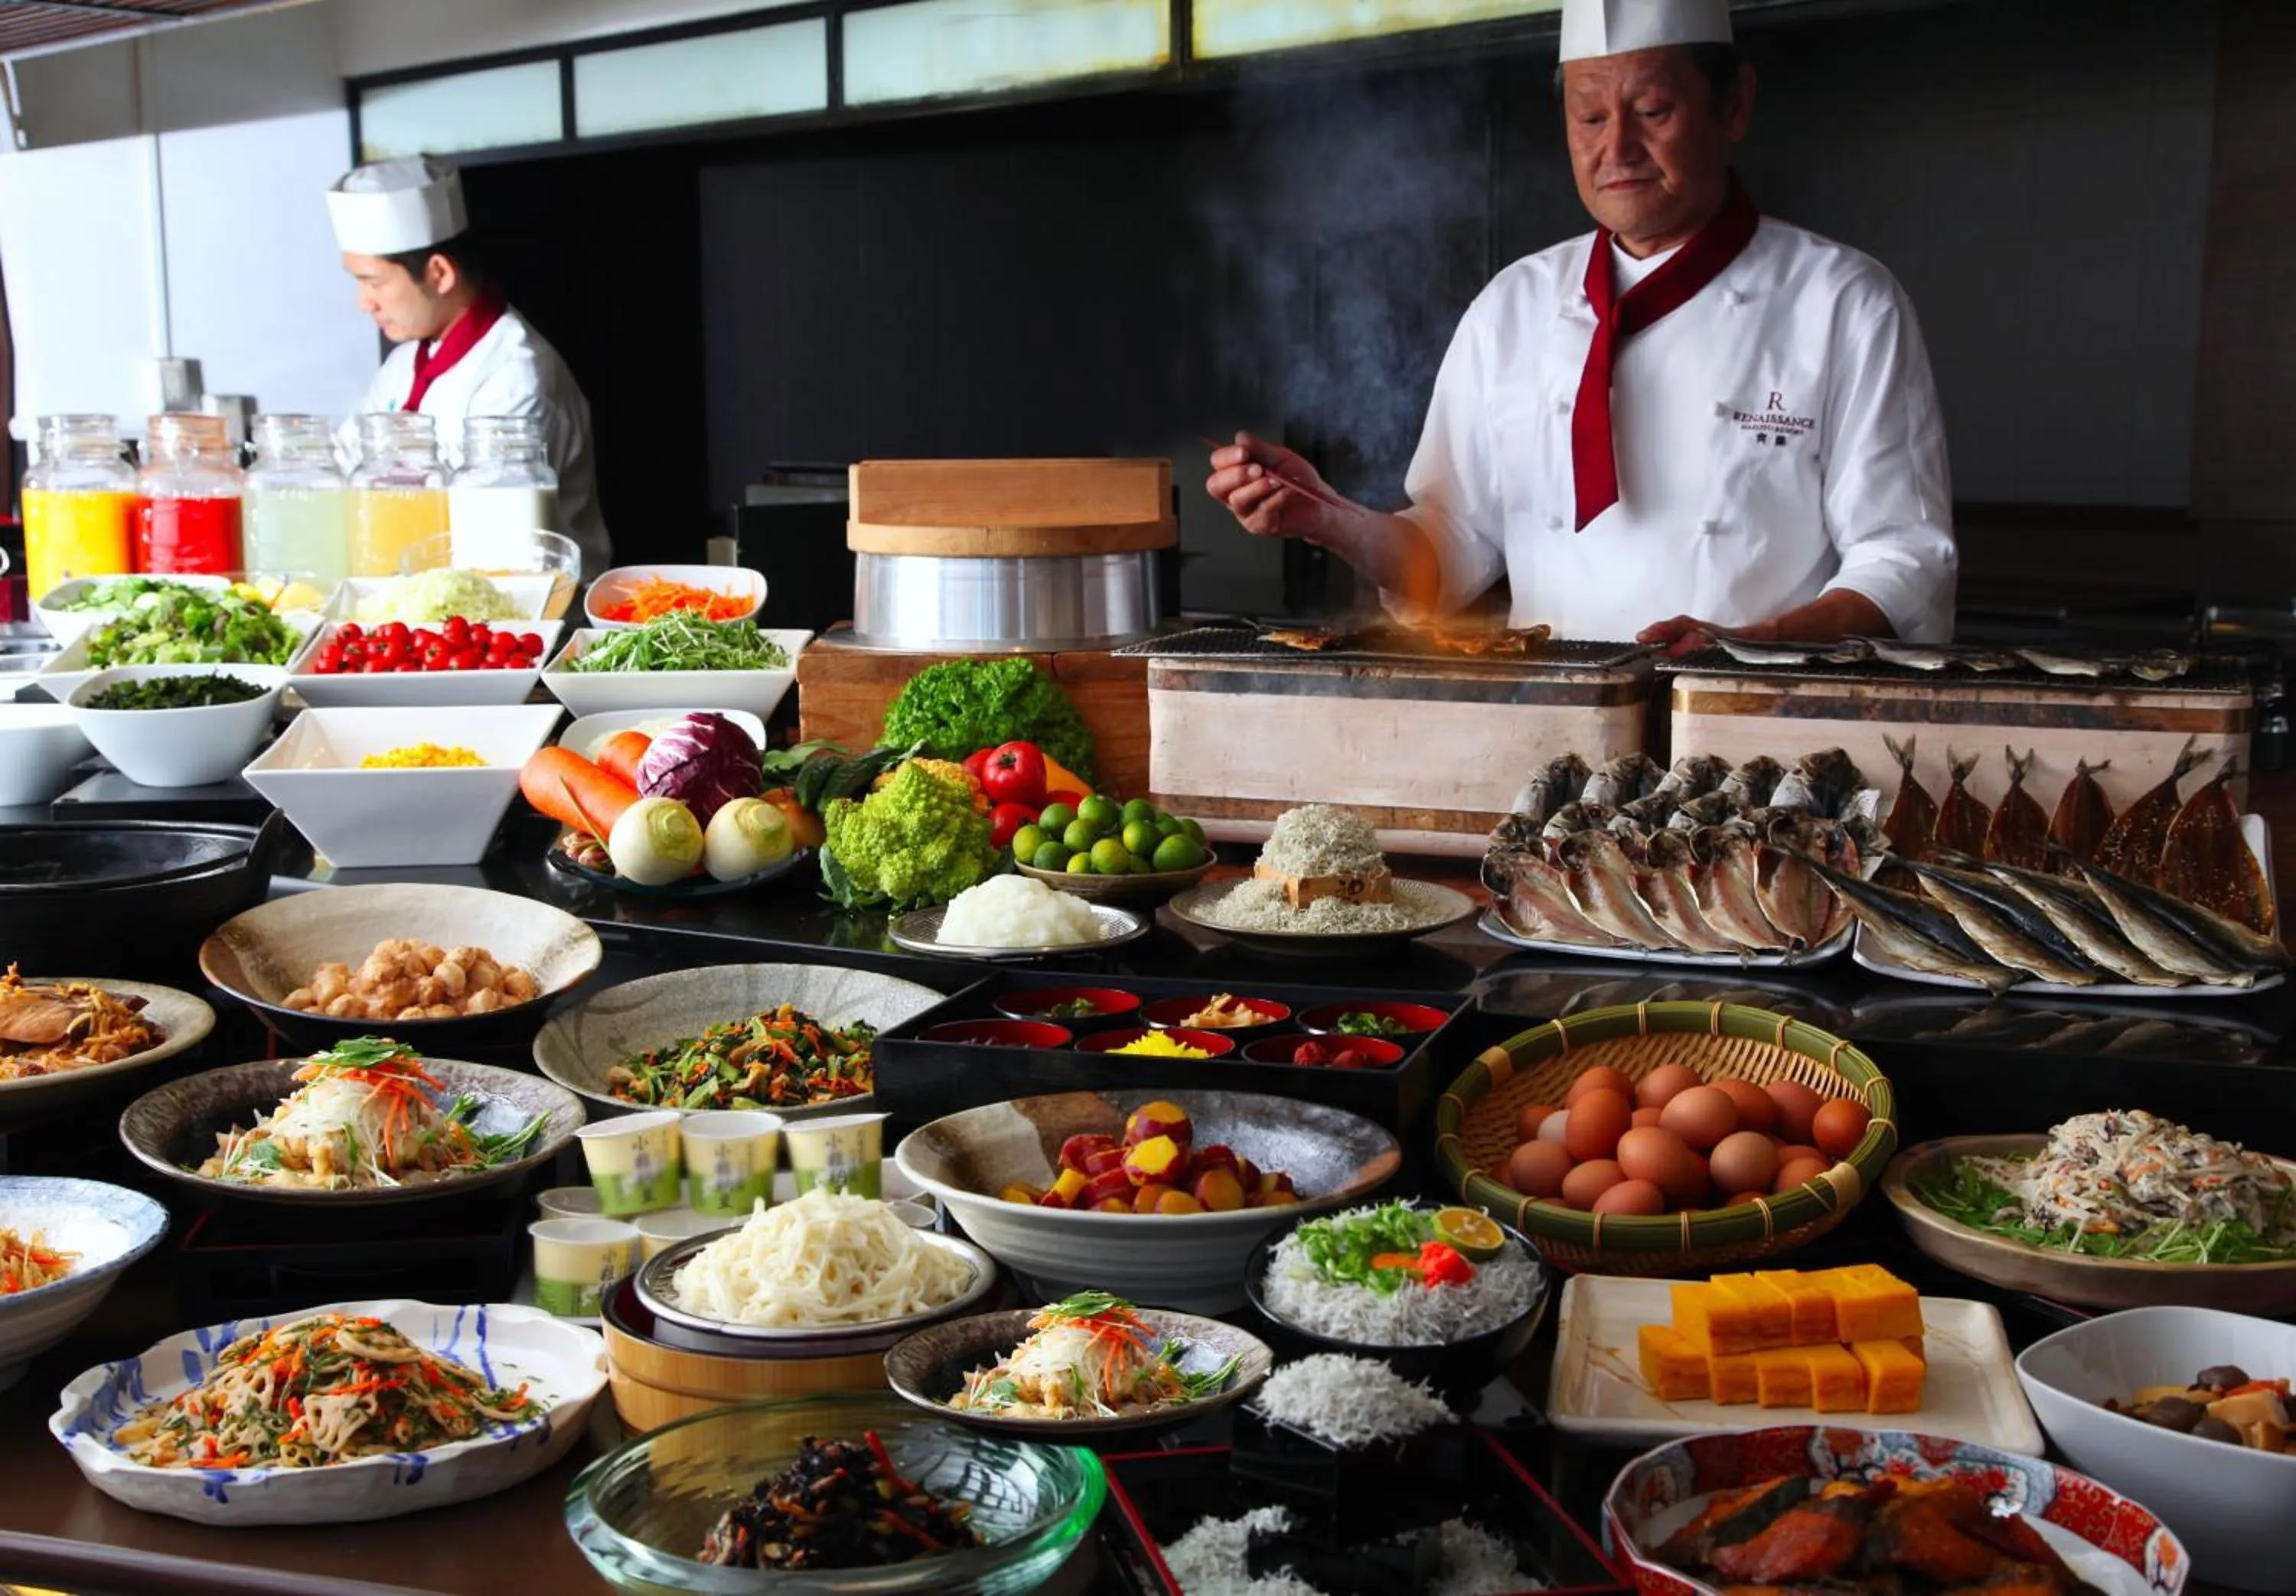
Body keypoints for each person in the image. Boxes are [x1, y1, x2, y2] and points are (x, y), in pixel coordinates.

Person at [1205, 0, 1956, 650]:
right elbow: (1448, 549)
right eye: (1591, 116)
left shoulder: (1845, 303)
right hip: (1556, 728)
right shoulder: (1513, 307)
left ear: (1734, 105)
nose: (1616, 148)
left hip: (1755, 730)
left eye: (1653, 111)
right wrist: (1328, 518)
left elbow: (1904, 557)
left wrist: (1752, 650)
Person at [327, 156, 611, 572]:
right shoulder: (402, 366)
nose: (363, 302)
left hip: (531, 597)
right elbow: (344, 465)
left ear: (440, 274)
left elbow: (493, 529)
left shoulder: (515, 371)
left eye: (374, 282)